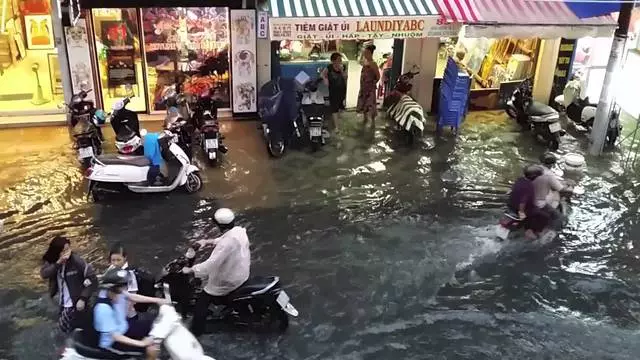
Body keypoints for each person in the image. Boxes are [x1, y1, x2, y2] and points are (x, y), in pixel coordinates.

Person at [181, 208, 250, 337]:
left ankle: (196, 331)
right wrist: (207, 242)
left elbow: (209, 266)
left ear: (218, 225)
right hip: (242, 272)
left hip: (229, 280)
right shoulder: (240, 231)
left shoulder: (225, 245)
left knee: (203, 300)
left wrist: (190, 270)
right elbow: (228, 239)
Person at [92, 267, 168, 359]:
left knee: (153, 323)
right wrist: (142, 343)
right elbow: (115, 336)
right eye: (119, 291)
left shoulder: (116, 291)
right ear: (112, 289)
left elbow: (131, 297)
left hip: (124, 327)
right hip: (112, 343)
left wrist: (158, 300)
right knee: (151, 348)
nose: (121, 294)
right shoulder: (103, 309)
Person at [40, 236, 97, 334]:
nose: (66, 253)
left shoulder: (77, 262)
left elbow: (93, 279)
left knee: (65, 330)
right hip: (61, 301)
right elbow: (44, 274)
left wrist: (83, 298)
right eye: (63, 251)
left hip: (74, 302)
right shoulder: (52, 261)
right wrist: (58, 263)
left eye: (68, 249)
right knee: (65, 330)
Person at [508, 165, 550, 239]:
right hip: (523, 208)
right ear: (534, 176)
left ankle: (528, 228)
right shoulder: (528, 186)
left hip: (511, 205)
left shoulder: (520, 179)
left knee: (535, 212)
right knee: (545, 216)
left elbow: (513, 188)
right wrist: (521, 212)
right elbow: (523, 202)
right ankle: (533, 232)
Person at [534, 153, 566, 230]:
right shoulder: (549, 174)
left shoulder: (534, 168)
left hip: (528, 198)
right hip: (539, 203)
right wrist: (569, 187)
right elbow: (561, 189)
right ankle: (549, 232)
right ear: (552, 164)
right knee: (559, 217)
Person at [321, 52, 347, 130]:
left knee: (339, 107)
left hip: (342, 91)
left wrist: (342, 70)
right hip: (333, 91)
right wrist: (325, 79)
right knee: (334, 108)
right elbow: (322, 74)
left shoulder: (343, 67)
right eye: (338, 59)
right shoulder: (329, 67)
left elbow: (346, 77)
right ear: (333, 61)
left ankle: (335, 121)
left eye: (340, 59)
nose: (340, 61)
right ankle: (336, 127)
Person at [356, 44, 380, 125]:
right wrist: (363, 54)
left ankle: (372, 121)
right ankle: (365, 118)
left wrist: (372, 84)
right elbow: (359, 61)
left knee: (370, 104)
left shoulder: (373, 63)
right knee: (364, 103)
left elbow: (378, 76)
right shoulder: (365, 62)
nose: (365, 54)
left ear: (370, 53)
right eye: (364, 53)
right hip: (363, 87)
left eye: (366, 53)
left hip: (370, 87)